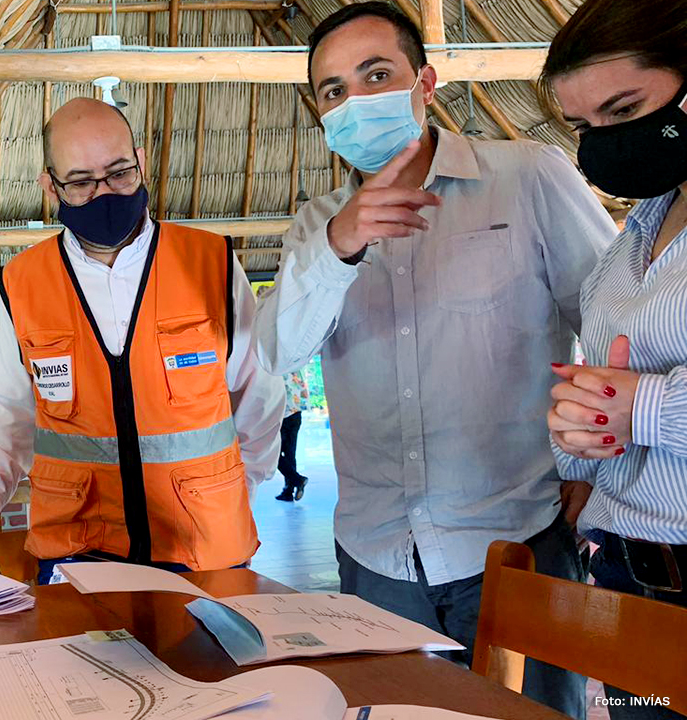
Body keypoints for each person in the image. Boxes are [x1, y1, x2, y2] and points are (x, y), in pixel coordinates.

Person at [252, 4, 617, 717]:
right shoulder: (315, 224)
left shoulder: (526, 177)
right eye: (333, 91)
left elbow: (610, 325)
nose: (355, 101)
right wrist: (339, 244)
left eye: (376, 74)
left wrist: (591, 467)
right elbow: (276, 349)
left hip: (516, 541)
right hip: (374, 554)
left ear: (426, 81)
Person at [0, 98, 285, 583]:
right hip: (80, 549)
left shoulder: (208, 262)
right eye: (82, 182)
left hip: (205, 545)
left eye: (120, 173)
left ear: (142, 161)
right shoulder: (25, 282)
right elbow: (10, 414)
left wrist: (234, 495)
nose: (105, 193)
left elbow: (260, 396)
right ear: (51, 186)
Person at [542, 1, 687, 717]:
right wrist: (577, 448)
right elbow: (599, 379)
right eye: (584, 126)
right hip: (628, 569)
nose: (604, 142)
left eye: (624, 107)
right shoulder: (636, 234)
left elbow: (630, 397)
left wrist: (646, 406)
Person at [277, 371, 309, 502]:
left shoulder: (277, 369)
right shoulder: (296, 368)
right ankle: (288, 491)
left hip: (283, 415)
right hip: (296, 414)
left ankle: (297, 479)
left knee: (274, 454)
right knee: (290, 454)